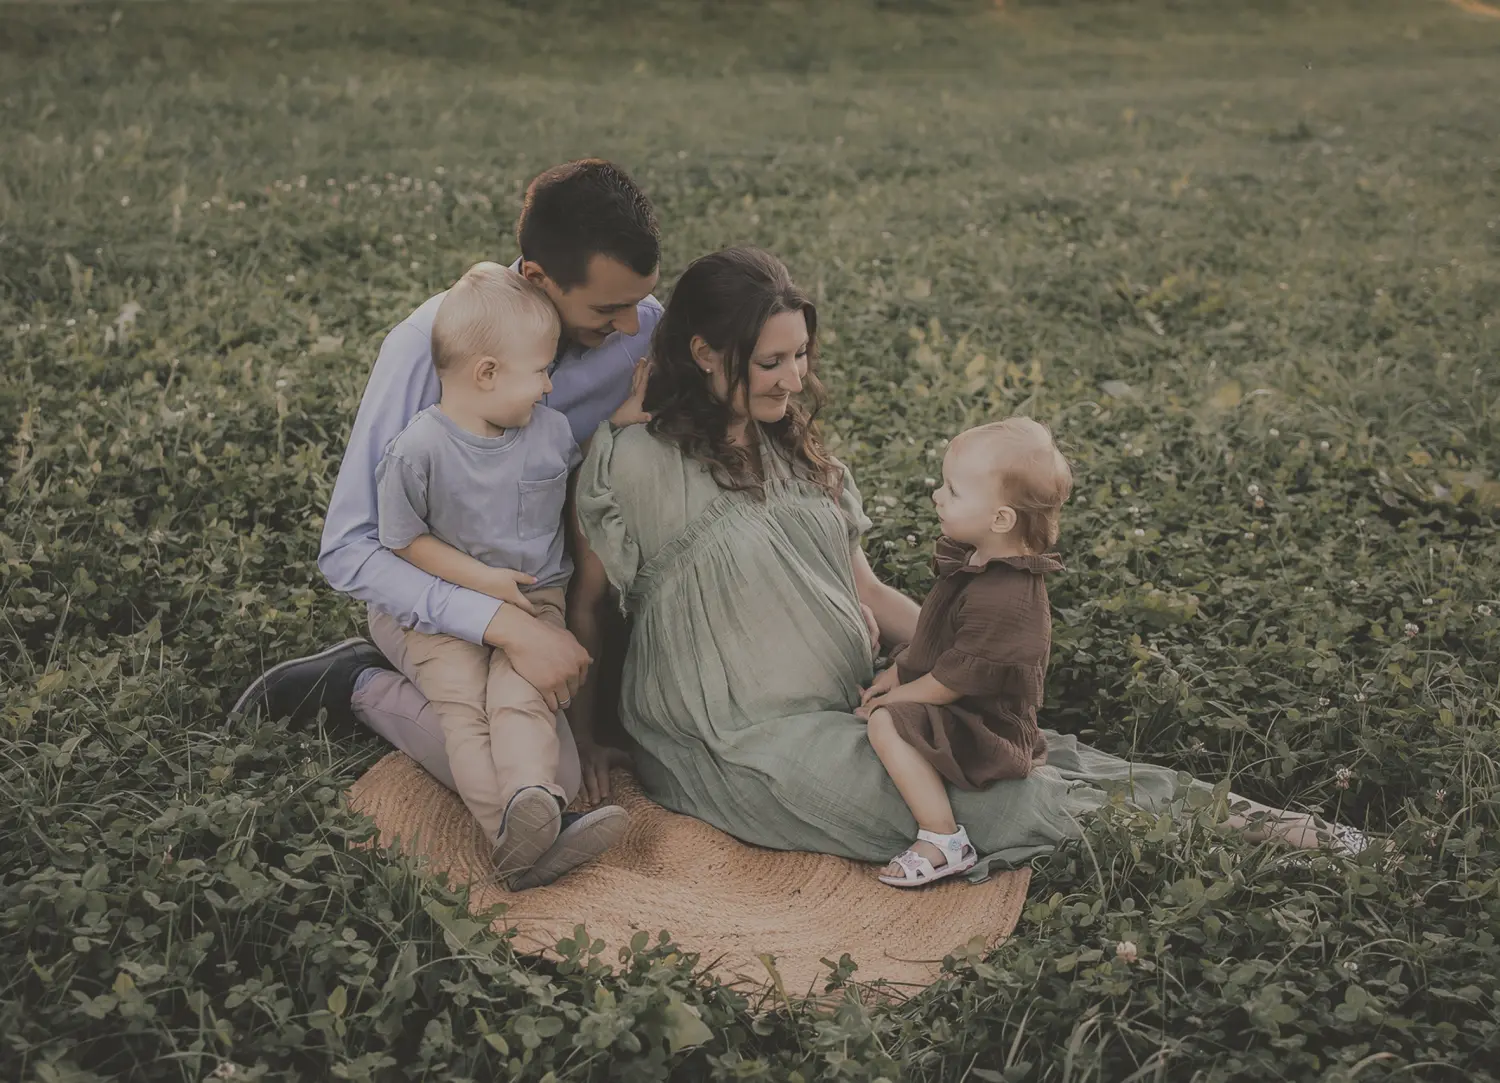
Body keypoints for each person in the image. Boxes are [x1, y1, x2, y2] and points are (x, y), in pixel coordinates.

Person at [567, 245, 1366, 877]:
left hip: (856, 700)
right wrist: (587, 733)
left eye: (800, 355)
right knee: (989, 802)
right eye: (770, 362)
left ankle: (1292, 829)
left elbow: (866, 589)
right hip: (741, 737)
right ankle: (1254, 849)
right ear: (705, 353)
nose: (794, 379)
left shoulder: (795, 455)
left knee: (1039, 756)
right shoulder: (634, 463)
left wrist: (965, 663)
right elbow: (590, 607)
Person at [233, 159, 661, 884]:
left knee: (555, 758)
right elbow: (352, 548)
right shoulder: (426, 349)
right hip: (440, 590)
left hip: (545, 582)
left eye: (640, 303)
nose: (631, 327)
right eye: (605, 312)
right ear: (535, 278)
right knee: (510, 747)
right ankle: (363, 687)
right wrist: (507, 626)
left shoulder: (641, 322)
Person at [375, 262, 604, 887]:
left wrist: (633, 408)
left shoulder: (550, 433)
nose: (550, 388)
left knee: (521, 697)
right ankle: (511, 835)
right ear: (486, 373)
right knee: (464, 712)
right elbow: (402, 540)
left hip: (536, 602)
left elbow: (596, 457)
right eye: (541, 372)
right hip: (438, 610)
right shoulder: (418, 449)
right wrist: (482, 582)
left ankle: (535, 801)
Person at [854, 418, 1070, 888]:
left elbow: (954, 680)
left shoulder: (1007, 597)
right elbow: (938, 639)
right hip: (961, 700)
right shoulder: (976, 559)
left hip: (984, 723)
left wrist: (896, 701)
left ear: (1000, 519)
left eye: (952, 491)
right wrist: (899, 671)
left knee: (884, 723)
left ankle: (943, 838)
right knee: (888, 709)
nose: (937, 496)